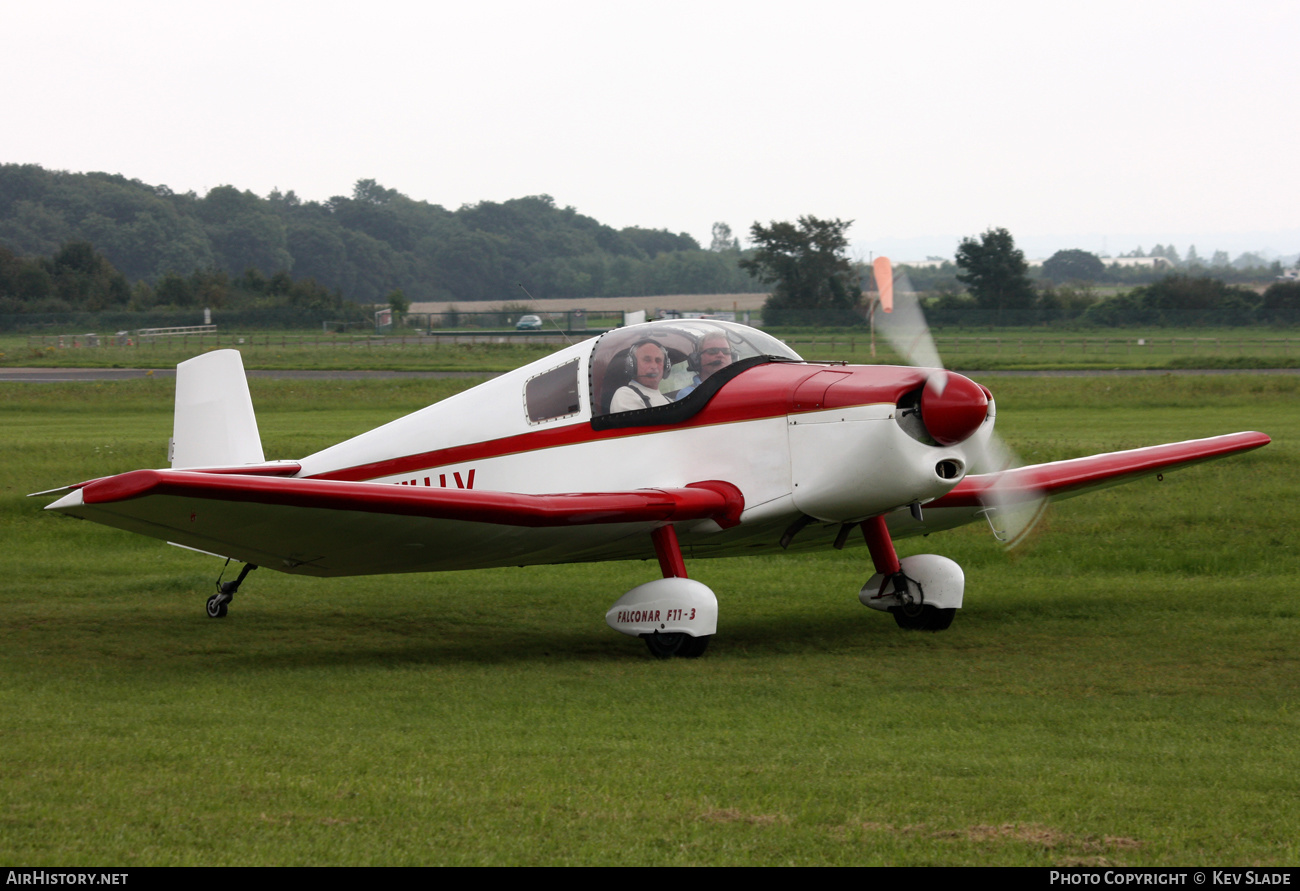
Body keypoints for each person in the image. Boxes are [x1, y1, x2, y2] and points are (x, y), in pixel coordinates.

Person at [610, 340, 672, 412]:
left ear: (666, 367)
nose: (654, 366)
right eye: (647, 360)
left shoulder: (669, 401)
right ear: (632, 365)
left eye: (658, 361)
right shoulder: (625, 395)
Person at [675, 331, 735, 399]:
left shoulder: (742, 386)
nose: (721, 355)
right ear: (698, 359)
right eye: (713, 351)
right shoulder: (687, 395)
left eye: (726, 351)